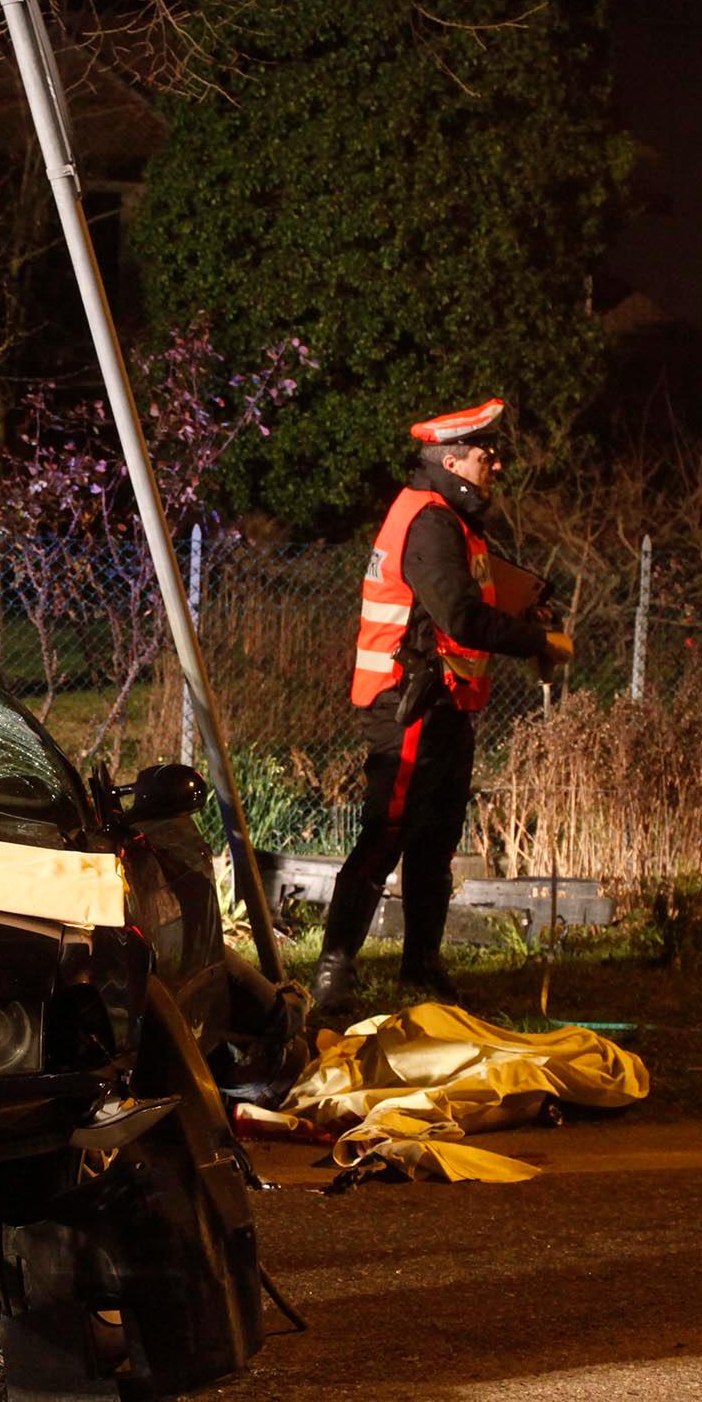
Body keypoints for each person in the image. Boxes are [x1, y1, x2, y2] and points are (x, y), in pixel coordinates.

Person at [309, 398, 574, 1009]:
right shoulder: (430, 522)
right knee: (386, 832)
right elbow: (459, 615)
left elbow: (474, 597)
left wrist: (527, 608)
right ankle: (334, 969)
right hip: (407, 702)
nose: (497, 465)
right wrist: (539, 640)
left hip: (444, 703)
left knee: (435, 840)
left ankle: (421, 969)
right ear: (453, 458)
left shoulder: (455, 521)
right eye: (487, 454)